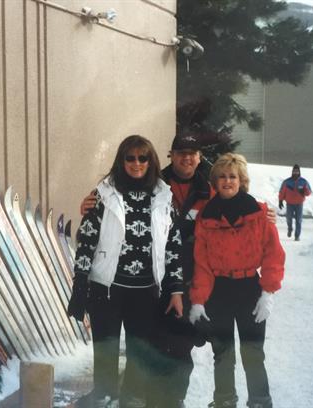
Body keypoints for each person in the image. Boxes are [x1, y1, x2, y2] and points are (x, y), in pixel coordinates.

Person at [79, 132, 277, 408]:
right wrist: (90, 204)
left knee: (180, 345)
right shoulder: (155, 182)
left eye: (192, 153)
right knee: (149, 343)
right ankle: (141, 398)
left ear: (199, 157)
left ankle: (172, 400)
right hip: (153, 281)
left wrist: (263, 212)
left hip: (190, 281)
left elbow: (235, 203)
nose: (187, 158)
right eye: (181, 152)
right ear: (171, 155)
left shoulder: (209, 189)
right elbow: (117, 200)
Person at [67, 135, 184, 408]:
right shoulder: (103, 195)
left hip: (145, 292)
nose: (136, 163)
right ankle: (104, 396)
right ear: (121, 161)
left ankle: (131, 399)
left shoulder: (164, 197)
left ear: (151, 161)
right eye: (130, 158)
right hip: (106, 289)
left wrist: (176, 290)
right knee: (105, 349)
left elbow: (173, 247)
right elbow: (87, 242)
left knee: (138, 352)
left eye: (143, 158)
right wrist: (79, 284)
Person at [189, 153, 285, 408]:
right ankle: (224, 401)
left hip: (248, 289)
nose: (227, 181)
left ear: (242, 180)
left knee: (253, 352)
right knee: (223, 354)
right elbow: (202, 263)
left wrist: (268, 292)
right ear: (215, 182)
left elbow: (274, 253)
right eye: (222, 176)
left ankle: (260, 401)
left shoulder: (259, 213)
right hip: (219, 292)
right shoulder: (206, 217)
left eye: (233, 176)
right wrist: (198, 300)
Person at [278, 164, 312, 241]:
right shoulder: (287, 182)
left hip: (299, 204)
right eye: (294, 171)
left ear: (299, 172)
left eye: (297, 171)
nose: (295, 173)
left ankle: (297, 236)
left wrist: (304, 190)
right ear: (292, 172)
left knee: (298, 220)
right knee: (288, 219)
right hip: (289, 204)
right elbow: (281, 192)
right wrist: (280, 201)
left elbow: (309, 192)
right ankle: (290, 228)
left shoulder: (303, 181)